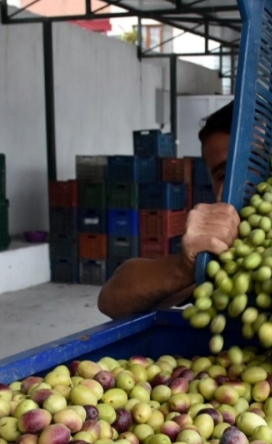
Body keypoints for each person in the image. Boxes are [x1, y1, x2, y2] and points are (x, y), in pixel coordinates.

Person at [97, 103, 240, 318]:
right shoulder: (221, 252)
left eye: (253, 163)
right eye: (222, 175)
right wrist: (184, 268)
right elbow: (112, 299)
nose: (239, 183)